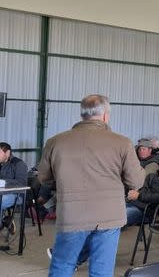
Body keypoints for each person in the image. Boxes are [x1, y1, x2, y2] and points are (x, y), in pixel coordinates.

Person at [38, 94, 145, 276]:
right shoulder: (122, 142)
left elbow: (44, 177)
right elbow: (135, 181)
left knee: (62, 265)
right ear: (105, 115)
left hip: (72, 215)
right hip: (109, 215)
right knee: (101, 270)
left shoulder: (55, 142)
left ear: (82, 115)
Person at [0, 143, 28, 212]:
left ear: (7, 153)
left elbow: (21, 182)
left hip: (15, 194)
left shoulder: (19, 164)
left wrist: (3, 182)